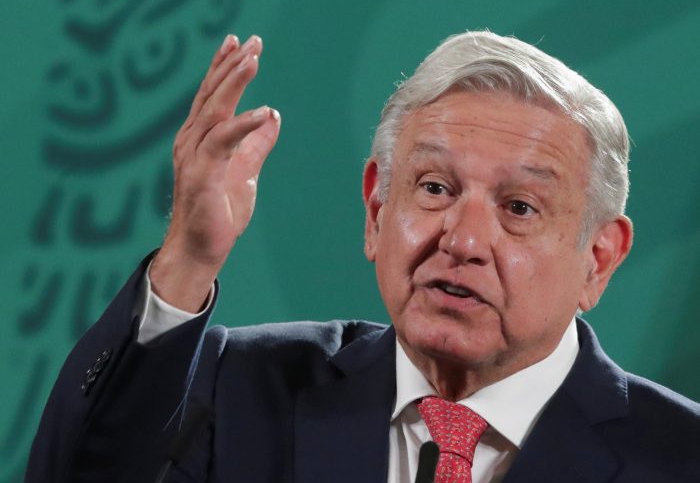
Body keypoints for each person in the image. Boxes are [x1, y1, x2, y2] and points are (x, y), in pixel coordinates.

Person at [25, 31, 700, 482]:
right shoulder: (238, 391)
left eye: (519, 208)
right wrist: (188, 261)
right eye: (434, 189)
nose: (462, 242)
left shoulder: (681, 456)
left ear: (599, 259)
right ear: (377, 209)